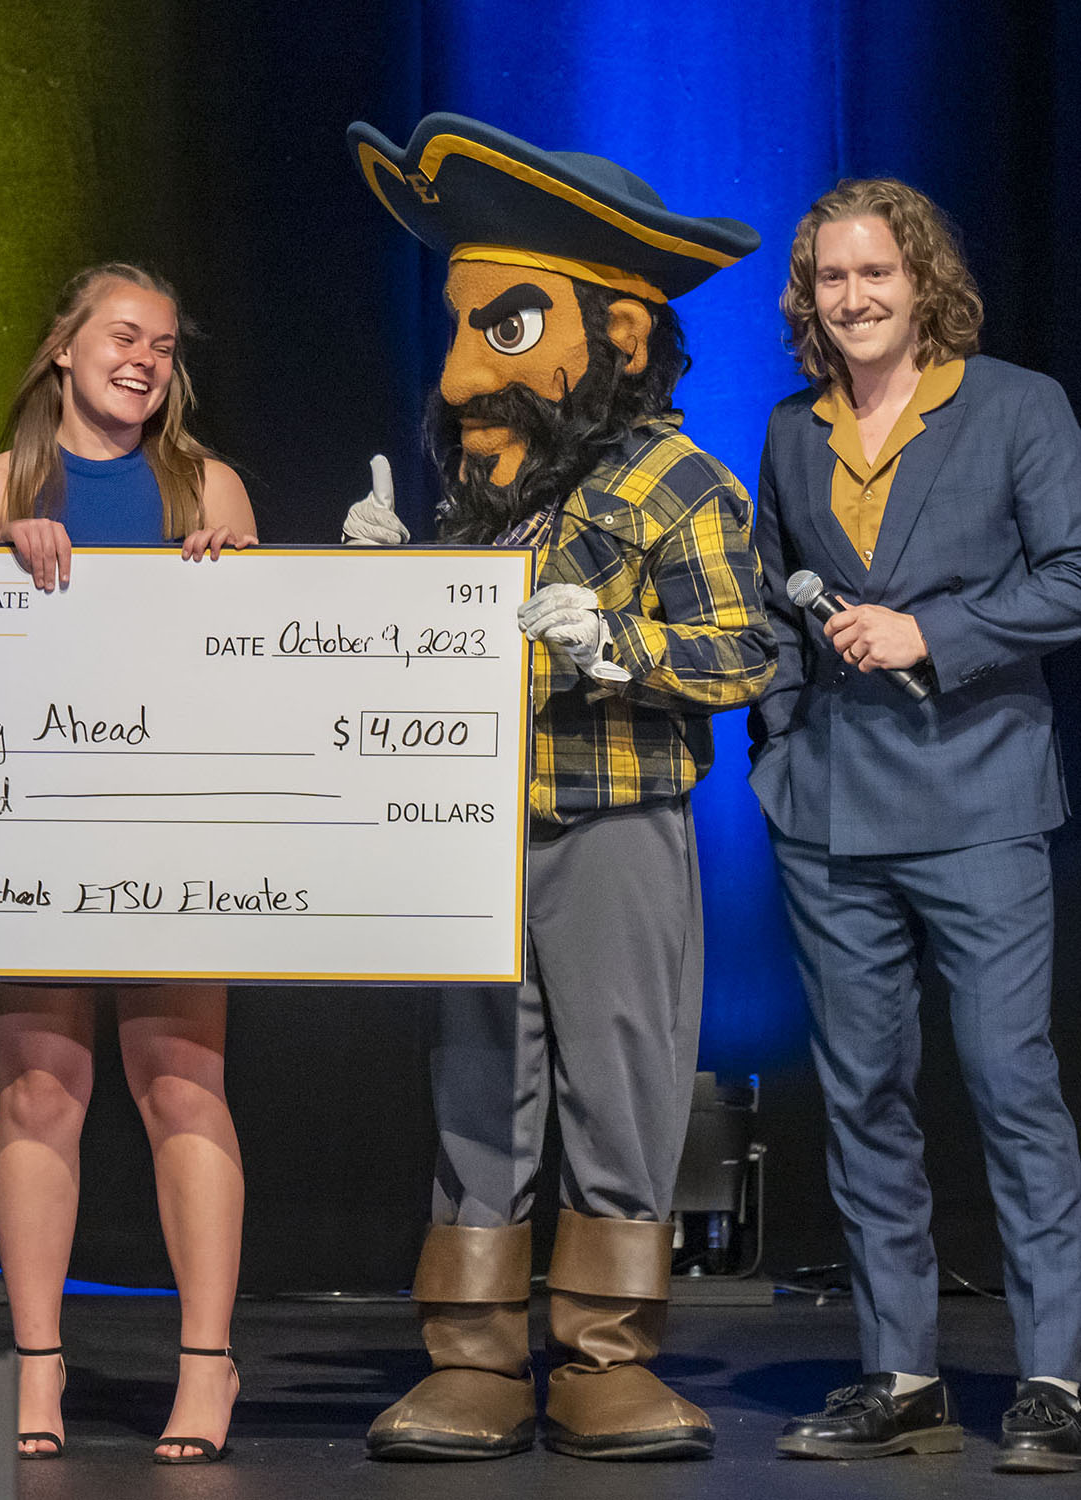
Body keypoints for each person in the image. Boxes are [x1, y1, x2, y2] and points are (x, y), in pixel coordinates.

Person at [342, 113, 774, 1462]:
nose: (469, 373)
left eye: (508, 330)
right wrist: (388, 577)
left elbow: (747, 648)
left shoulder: (679, 482)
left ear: (625, 337)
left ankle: (601, 1352)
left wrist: (619, 646)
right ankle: (472, 1357)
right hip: (471, 830)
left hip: (612, 824)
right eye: (464, 330)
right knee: (476, 1080)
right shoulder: (480, 490)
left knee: (621, 1081)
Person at [751, 179, 1081, 1472]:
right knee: (863, 1093)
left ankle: (1054, 1373)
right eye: (832, 279)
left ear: (921, 278)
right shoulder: (792, 428)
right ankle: (900, 1373)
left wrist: (932, 631)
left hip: (980, 794)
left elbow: (1072, 575)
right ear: (811, 298)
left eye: (875, 272)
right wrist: (777, 743)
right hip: (832, 811)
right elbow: (779, 599)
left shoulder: (1016, 407)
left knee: (1011, 1085)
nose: (855, 296)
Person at [0, 263, 255, 1463]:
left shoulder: (205, 483)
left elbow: (256, 676)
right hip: (31, 830)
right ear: (63, 347)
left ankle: (209, 1362)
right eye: (124, 336)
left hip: (174, 826)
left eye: (166, 346)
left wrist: (240, 582)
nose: (146, 360)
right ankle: (36, 1363)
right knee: (39, 1094)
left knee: (182, 1088)